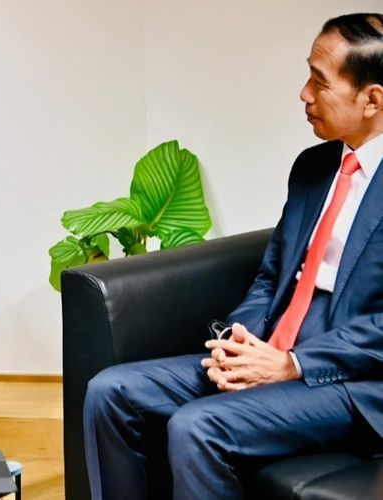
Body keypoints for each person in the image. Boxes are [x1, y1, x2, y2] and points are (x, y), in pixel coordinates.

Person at [83, 12, 383, 500]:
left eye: (319, 81)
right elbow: (273, 277)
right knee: (110, 392)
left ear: (372, 99)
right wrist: (235, 341)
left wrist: (292, 363)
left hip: (357, 383)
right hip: (275, 345)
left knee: (196, 426)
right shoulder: (314, 166)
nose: (304, 95)